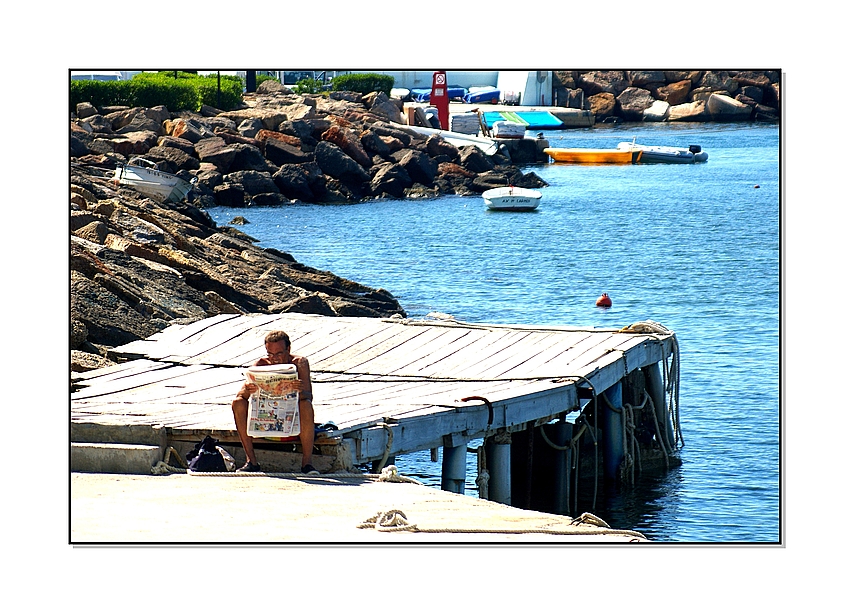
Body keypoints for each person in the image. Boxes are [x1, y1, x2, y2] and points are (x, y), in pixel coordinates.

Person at [231, 330, 318, 474]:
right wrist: (247, 388)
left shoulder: (299, 363)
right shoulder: (260, 364)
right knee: (237, 403)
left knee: (306, 405)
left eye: (279, 354)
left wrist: (299, 390)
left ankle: (307, 464)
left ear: (288, 349)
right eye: (270, 354)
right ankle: (251, 461)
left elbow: (308, 396)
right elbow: (241, 396)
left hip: (292, 424)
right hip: (266, 421)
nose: (274, 359)